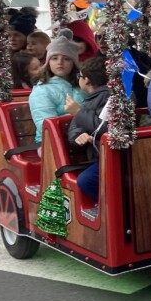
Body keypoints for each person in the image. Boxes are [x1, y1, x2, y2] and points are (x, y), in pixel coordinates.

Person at [28, 29, 85, 145]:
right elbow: (45, 125)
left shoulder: (82, 86)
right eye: (54, 58)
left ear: (73, 63)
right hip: (50, 143)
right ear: (48, 62)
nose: (60, 62)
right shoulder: (42, 90)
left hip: (82, 138)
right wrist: (80, 117)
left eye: (66, 59)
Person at [67, 56, 109, 203]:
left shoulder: (111, 97)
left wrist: (78, 112)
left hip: (108, 157)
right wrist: (79, 135)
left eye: (80, 76)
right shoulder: (89, 100)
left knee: (85, 180)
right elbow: (74, 130)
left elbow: (105, 128)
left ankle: (106, 206)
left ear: (86, 80)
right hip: (100, 156)